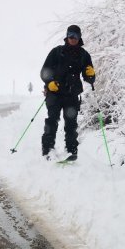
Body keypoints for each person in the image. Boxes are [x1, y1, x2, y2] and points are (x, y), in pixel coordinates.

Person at [40, 25, 95, 161]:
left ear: (79, 37)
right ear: (67, 36)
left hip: (72, 94)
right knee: (52, 120)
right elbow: (44, 71)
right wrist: (49, 83)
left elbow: (90, 78)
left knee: (71, 123)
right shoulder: (57, 52)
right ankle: (48, 150)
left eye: (75, 36)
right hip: (55, 93)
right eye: (70, 35)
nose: (73, 39)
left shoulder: (84, 55)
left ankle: (71, 151)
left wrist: (90, 74)